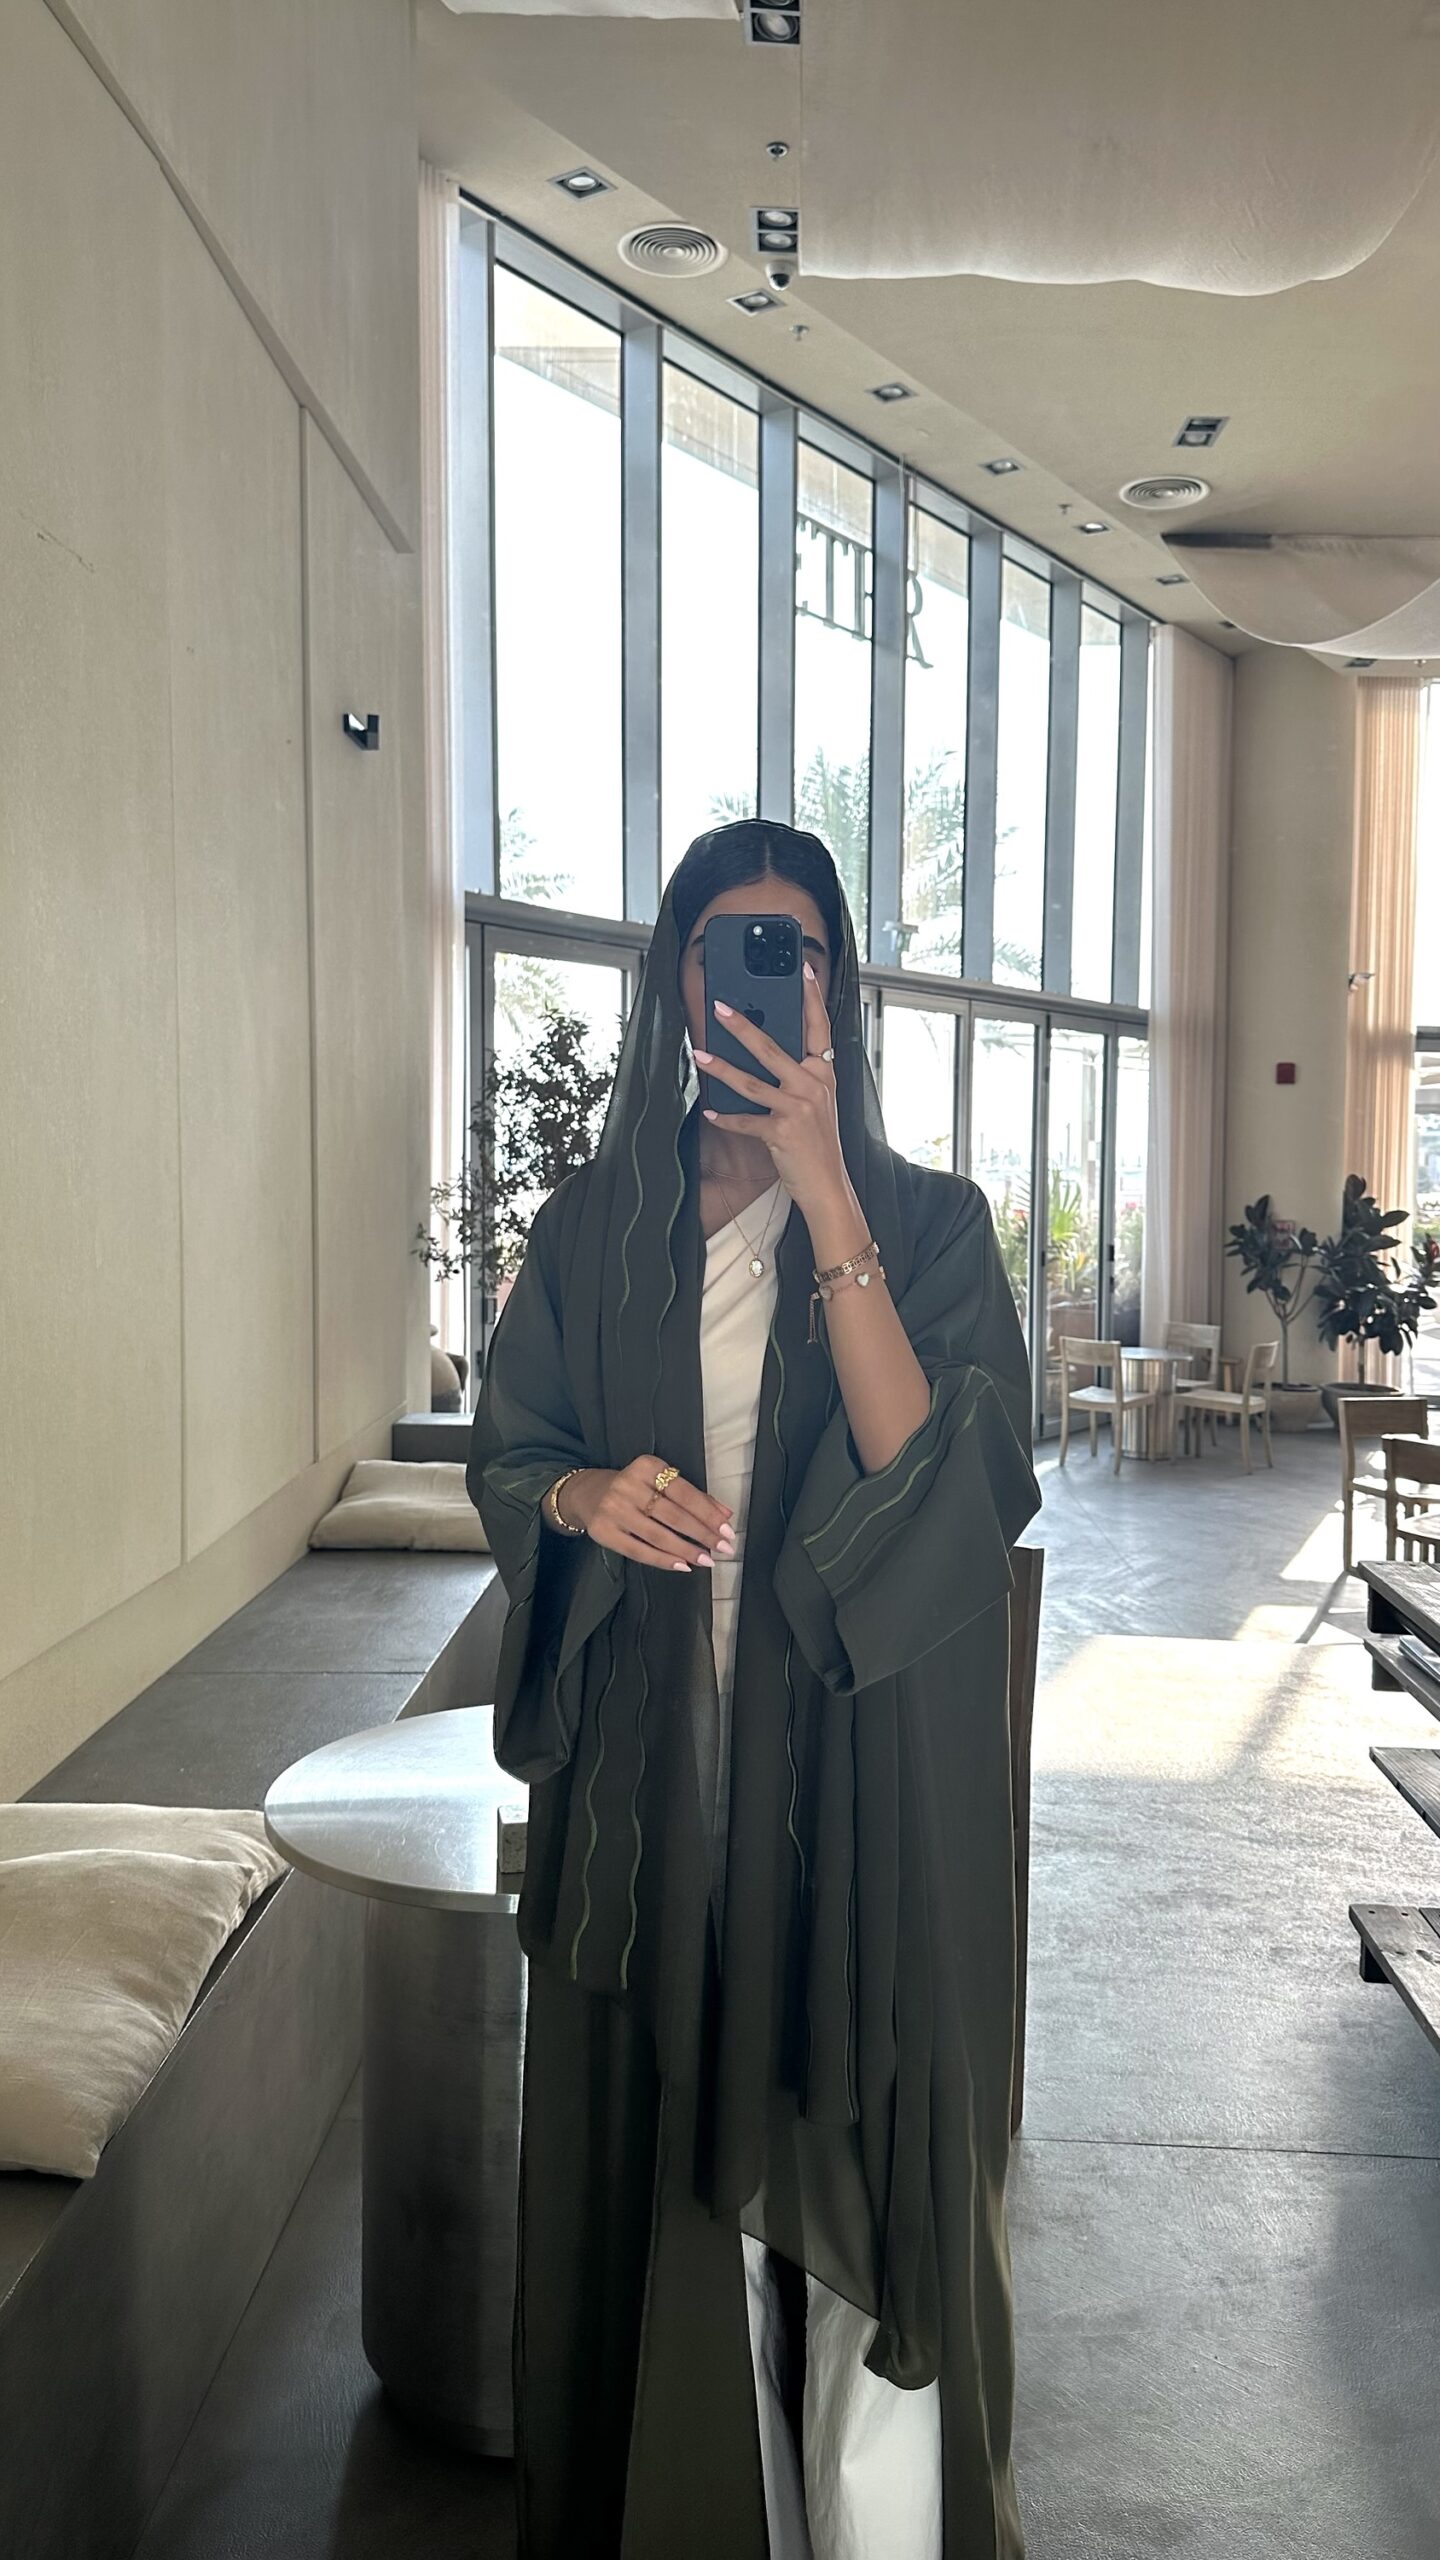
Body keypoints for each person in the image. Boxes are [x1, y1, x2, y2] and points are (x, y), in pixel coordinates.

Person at [467, 819, 1041, 2560]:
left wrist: (824, 1194)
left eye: (794, 949)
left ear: (837, 991)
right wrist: (581, 1497)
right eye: (728, 947)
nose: (759, 980)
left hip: (856, 1793)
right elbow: (514, 1450)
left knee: (857, 2153)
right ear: (675, 983)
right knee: (658, 2176)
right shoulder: (593, 1229)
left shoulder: (927, 1222)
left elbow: (942, 1484)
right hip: (652, 1786)